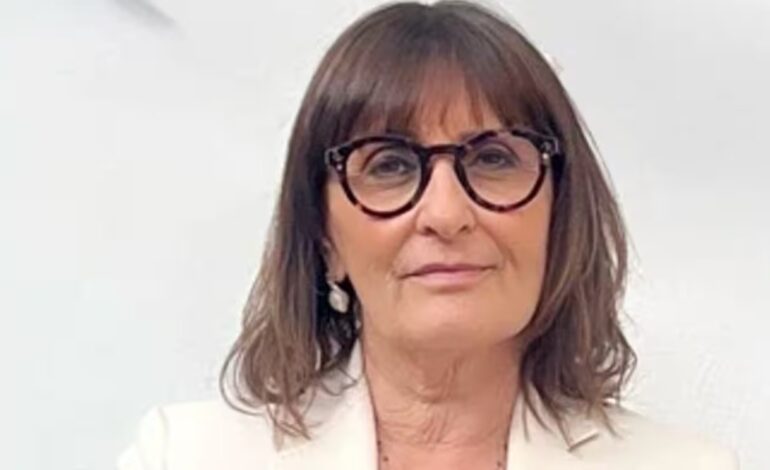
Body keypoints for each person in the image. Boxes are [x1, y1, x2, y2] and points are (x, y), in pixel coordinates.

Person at [118, 1, 738, 469]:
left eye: (493, 158)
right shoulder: (185, 455)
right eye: (389, 165)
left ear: (561, 215)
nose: (445, 213)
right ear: (325, 239)